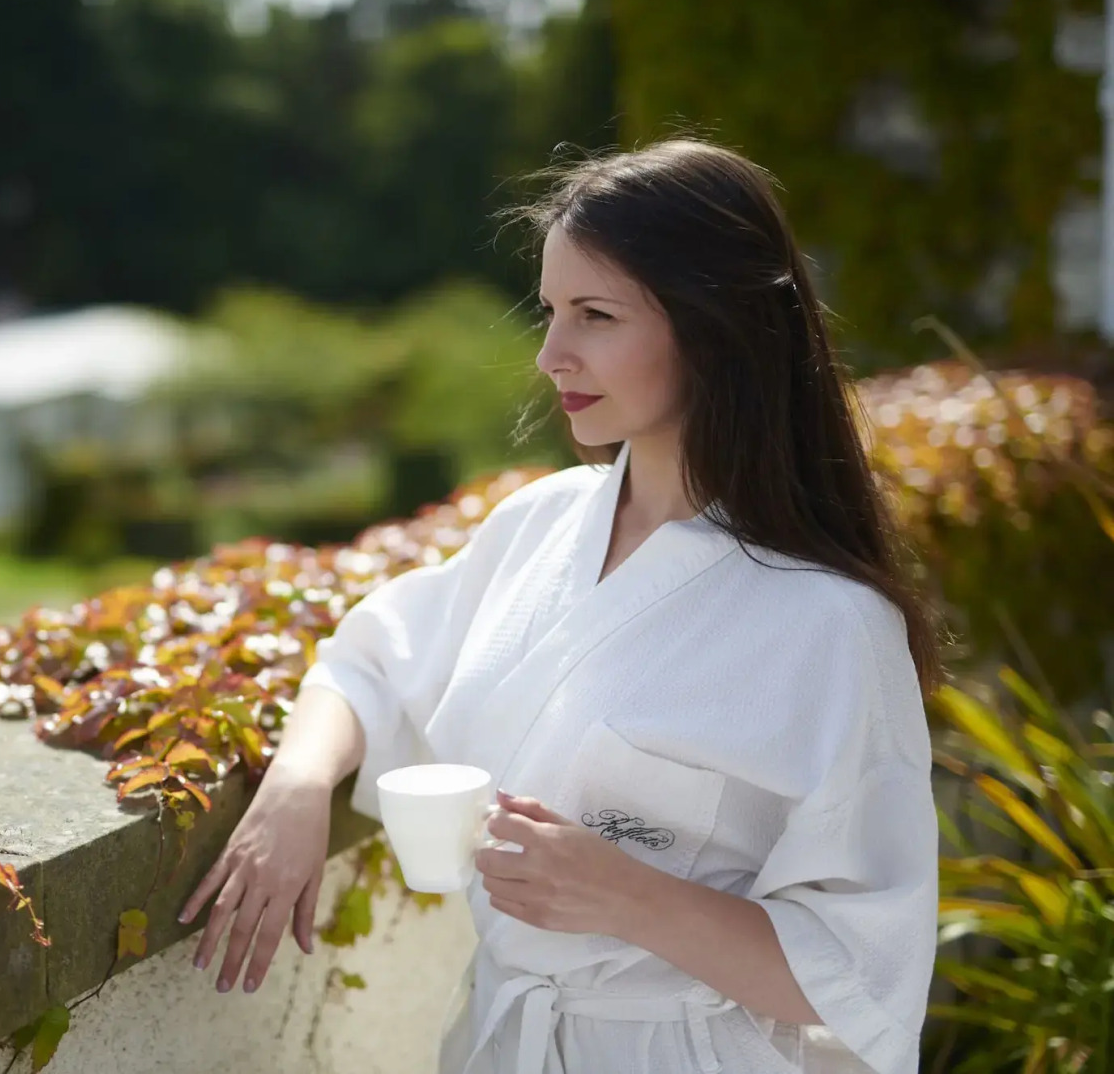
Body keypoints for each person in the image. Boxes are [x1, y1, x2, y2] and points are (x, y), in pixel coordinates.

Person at [177, 136, 945, 1074]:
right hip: (504, 1041)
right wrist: (295, 791)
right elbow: (369, 661)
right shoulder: (538, 527)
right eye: (549, 311)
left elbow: (866, 972)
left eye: (595, 315)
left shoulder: (830, 626)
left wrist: (623, 894)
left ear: (715, 325)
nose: (550, 355)